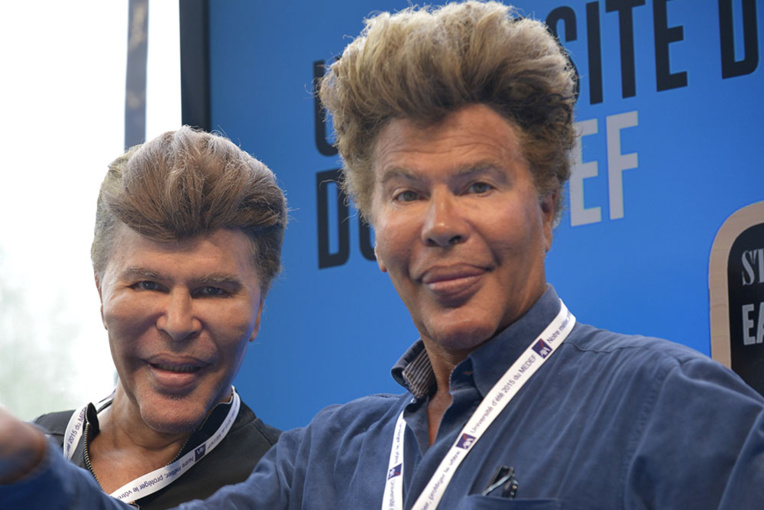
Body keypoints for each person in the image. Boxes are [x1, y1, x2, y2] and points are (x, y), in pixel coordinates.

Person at [1, 2, 763, 508]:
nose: (440, 224)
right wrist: (28, 462)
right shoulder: (326, 460)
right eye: (406, 193)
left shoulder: (672, 409)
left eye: (477, 184)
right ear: (373, 228)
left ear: (549, 204)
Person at [1, 126, 287, 508]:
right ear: (101, 290)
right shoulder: (22, 462)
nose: (178, 324)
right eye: (148, 285)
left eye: (213, 291)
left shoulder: (291, 487)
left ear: (259, 307)